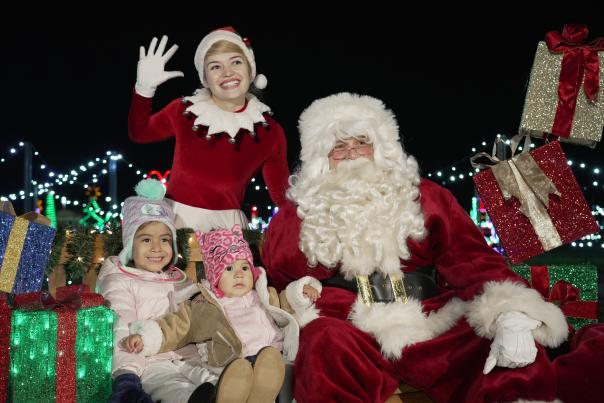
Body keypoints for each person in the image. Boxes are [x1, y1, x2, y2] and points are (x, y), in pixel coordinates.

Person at [261, 93, 570, 403]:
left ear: (381, 147)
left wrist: (511, 311)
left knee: (500, 338)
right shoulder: (299, 212)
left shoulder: (425, 196)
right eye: (338, 147)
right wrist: (296, 294)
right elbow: (279, 278)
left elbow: (472, 258)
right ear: (320, 158)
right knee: (323, 341)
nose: (352, 153)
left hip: (430, 319)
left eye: (361, 142)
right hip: (348, 324)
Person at [128, 26, 290, 232]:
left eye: (236, 62)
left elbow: (283, 197)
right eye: (215, 67)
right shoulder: (183, 110)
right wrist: (144, 89)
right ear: (205, 79)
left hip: (228, 232)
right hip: (176, 224)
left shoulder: (270, 131)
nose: (227, 72)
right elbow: (139, 132)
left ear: (251, 70)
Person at [125, 224, 310, 403]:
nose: (239, 274)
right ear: (215, 277)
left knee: (277, 367)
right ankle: (251, 394)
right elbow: (178, 326)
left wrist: (301, 294)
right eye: (229, 269)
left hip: (274, 360)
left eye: (244, 268)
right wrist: (147, 338)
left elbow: (285, 303)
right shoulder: (206, 306)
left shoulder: (262, 295)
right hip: (234, 365)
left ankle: (262, 393)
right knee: (235, 378)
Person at [97, 179, 216, 403]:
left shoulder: (178, 280)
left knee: (211, 379)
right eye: (146, 240)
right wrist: (126, 373)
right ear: (131, 245)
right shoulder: (120, 282)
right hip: (151, 362)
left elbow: (199, 312)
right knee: (171, 387)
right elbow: (120, 329)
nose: (156, 248)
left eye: (165, 240)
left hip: (189, 356)